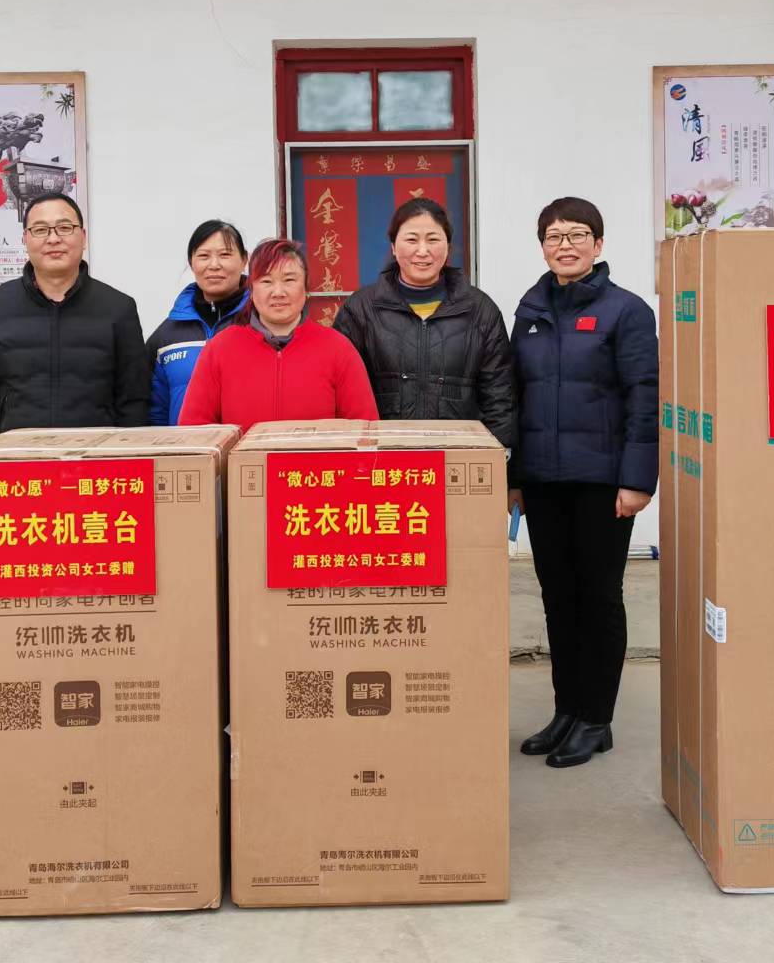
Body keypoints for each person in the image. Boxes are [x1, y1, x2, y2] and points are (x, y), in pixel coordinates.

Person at [508, 197, 659, 769]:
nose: (565, 245)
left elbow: (645, 398)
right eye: (554, 236)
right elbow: (517, 396)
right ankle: (567, 710)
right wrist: (515, 478)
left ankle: (596, 719)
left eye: (577, 234)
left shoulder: (627, 311)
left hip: (602, 482)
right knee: (558, 597)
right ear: (542, 246)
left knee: (598, 599)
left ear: (598, 244)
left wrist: (637, 480)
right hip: (544, 481)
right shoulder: (530, 309)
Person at [0, 192, 150, 445]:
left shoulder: (118, 308)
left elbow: (134, 401)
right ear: (25, 239)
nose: (53, 238)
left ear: (83, 237)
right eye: (40, 230)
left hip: (96, 458)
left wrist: (126, 455)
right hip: (13, 458)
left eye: (65, 228)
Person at [332, 197, 515, 448]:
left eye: (433, 239)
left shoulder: (480, 310)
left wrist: (498, 454)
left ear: (448, 246)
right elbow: (340, 391)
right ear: (394, 247)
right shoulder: (361, 309)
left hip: (458, 455)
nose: (422, 251)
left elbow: (500, 394)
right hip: (383, 457)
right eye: (411, 240)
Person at [178, 238, 378, 432]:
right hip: (243, 457)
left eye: (289, 280)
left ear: (306, 287)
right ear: (251, 290)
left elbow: (365, 433)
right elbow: (194, 431)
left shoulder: (338, 349)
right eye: (266, 281)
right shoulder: (220, 349)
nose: (278, 292)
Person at [145, 220, 249, 425]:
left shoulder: (262, 325)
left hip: (247, 444)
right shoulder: (167, 337)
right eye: (203, 256)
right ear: (191, 262)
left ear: (244, 260)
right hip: (187, 444)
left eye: (225, 255)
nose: (214, 265)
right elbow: (155, 412)